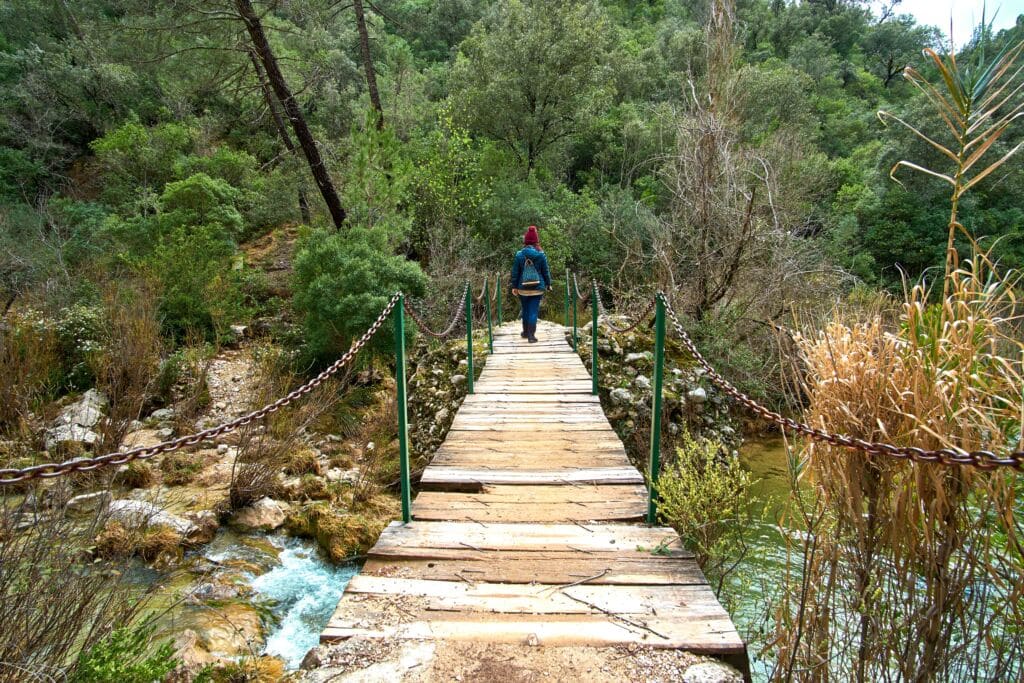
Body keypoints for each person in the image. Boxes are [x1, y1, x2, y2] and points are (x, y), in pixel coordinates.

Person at [510, 225, 552, 343]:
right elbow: (545, 271)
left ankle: (525, 332)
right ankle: (531, 336)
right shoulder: (541, 254)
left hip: (522, 288)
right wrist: (548, 284)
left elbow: (515, 272)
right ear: (536, 241)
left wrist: (514, 286)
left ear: (525, 241)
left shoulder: (519, 254)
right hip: (537, 288)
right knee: (533, 310)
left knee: (525, 309)